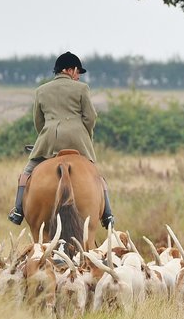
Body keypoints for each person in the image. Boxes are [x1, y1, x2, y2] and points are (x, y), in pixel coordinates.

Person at [8, 51, 114, 228]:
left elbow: (38, 120)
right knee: (95, 175)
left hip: (49, 139)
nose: (78, 76)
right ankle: (108, 215)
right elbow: (90, 117)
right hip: (78, 139)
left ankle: (18, 210)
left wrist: (46, 137)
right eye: (77, 71)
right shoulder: (82, 89)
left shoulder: (41, 90)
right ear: (69, 70)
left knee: (27, 173)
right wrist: (85, 136)